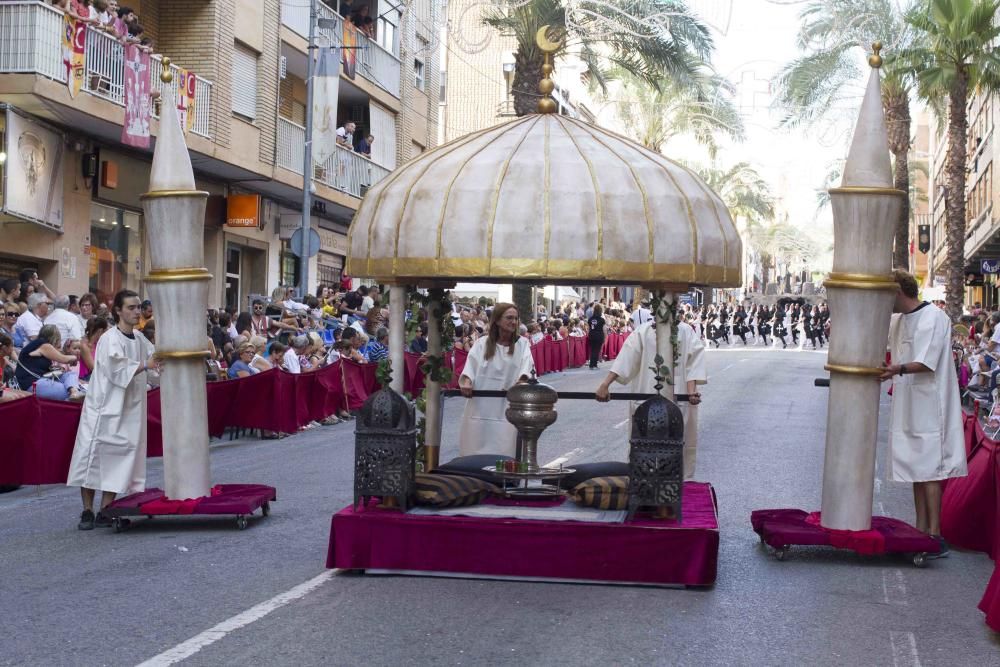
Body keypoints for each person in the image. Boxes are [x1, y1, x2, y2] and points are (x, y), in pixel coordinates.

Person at [879, 271, 967, 556]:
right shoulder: (899, 321)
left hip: (932, 402)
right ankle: (920, 530)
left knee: (930, 469)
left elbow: (926, 363)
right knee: (917, 468)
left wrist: (895, 369)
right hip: (909, 400)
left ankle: (934, 533)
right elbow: (891, 354)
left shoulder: (934, 317)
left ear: (897, 291)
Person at [67, 289, 160, 530]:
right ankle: (87, 511)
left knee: (120, 458)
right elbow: (117, 369)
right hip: (104, 407)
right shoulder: (110, 338)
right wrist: (145, 365)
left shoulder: (140, 339)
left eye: (138, 307)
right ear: (118, 310)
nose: (136, 311)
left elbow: (156, 361)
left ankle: (106, 510)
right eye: (131, 307)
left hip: (129, 408)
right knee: (93, 455)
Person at [596, 317, 706, 478]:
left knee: (675, 447)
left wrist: (690, 393)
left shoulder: (685, 331)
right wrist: (605, 384)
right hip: (647, 399)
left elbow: (693, 363)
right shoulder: (644, 331)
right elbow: (626, 358)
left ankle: (674, 486)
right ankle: (642, 485)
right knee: (644, 447)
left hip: (678, 399)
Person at [458, 304, 535, 457]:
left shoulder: (522, 344)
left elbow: (527, 369)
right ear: (498, 321)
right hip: (480, 407)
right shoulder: (481, 344)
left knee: (506, 450)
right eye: (509, 318)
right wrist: (467, 382)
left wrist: (521, 382)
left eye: (516, 318)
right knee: (475, 452)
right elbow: (469, 368)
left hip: (507, 407)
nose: (514, 322)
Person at [13, 325, 83, 401]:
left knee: (70, 374)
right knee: (66, 392)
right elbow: (63, 359)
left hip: (40, 379)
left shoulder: (36, 344)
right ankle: (71, 399)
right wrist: (75, 357)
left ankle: (74, 392)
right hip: (31, 383)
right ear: (55, 338)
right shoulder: (44, 345)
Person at [587, 304, 606, 369]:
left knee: (592, 350)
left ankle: (591, 365)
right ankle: (594, 364)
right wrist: (605, 337)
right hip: (599, 335)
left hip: (592, 335)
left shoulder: (590, 319)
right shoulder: (602, 320)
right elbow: (604, 329)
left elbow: (588, 328)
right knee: (597, 350)